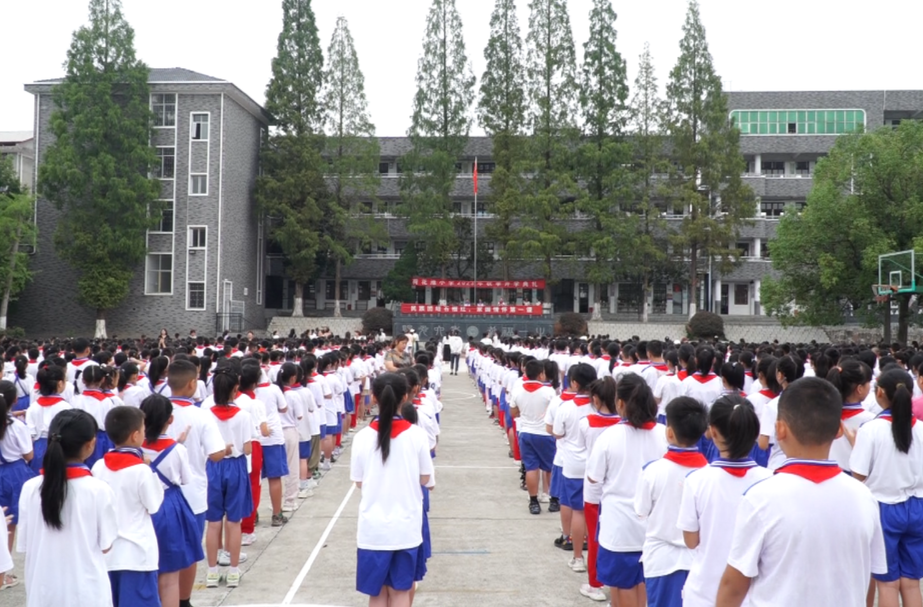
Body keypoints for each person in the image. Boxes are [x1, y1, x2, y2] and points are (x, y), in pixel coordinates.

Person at [716, 377, 887, 607]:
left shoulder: (761, 497)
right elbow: (869, 576)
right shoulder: (864, 496)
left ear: (780, 430)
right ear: (838, 430)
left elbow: (733, 586)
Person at [17, 409, 119, 607]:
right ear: (90, 445)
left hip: (43, 592)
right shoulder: (98, 490)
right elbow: (107, 545)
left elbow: (25, 544)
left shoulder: (30, 488)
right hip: (86, 593)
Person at [677, 395, 772, 607]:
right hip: (752, 595)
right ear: (754, 432)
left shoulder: (696, 480)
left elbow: (691, 540)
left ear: (713, 432)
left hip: (704, 592)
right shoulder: (772, 480)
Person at [350, 373, 433, 607]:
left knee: (376, 594)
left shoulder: (363, 437)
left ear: (374, 397)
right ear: (405, 397)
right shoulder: (416, 435)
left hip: (373, 529)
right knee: (400, 592)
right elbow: (425, 477)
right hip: (406, 526)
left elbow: (358, 481)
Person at [586, 373, 668, 607]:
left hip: (619, 527)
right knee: (644, 583)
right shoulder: (664, 434)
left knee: (621, 590)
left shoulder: (609, 437)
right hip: (654, 525)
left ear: (620, 403)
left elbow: (594, 478)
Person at [847, 368, 923, 607]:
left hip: (884, 509)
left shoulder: (871, 430)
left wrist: (853, 441)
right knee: (911, 582)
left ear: (880, 393)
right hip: (918, 507)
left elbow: (858, 475)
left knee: (887, 583)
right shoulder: (921, 428)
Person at [634, 397, 708, 607]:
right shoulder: (709, 474)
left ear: (669, 432)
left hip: (661, 560)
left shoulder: (652, 471)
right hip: (698, 561)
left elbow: (641, 511)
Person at [163, 360, 225, 607]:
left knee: (163, 549)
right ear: (192, 384)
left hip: (158, 493)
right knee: (189, 550)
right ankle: (183, 600)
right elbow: (217, 453)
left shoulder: (154, 409)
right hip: (192, 492)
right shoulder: (201, 415)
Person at [91, 406, 164, 607]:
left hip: (107, 553)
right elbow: (154, 505)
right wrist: (150, 469)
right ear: (135, 436)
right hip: (137, 554)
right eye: (143, 429)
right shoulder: (141, 470)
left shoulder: (98, 467)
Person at [139, 394, 205, 607]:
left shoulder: (138, 448)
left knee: (149, 567)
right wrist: (179, 446)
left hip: (143, 506)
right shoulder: (177, 450)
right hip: (169, 506)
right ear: (170, 419)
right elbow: (185, 479)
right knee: (170, 575)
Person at [204, 367, 253, 589]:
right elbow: (248, 448)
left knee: (213, 522)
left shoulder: (206, 413)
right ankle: (233, 571)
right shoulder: (243, 415)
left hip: (213, 465)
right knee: (234, 522)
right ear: (236, 389)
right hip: (235, 465)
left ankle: (212, 571)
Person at [576, 377, 621, 603]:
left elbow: (583, 447)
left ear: (595, 398)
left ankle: (595, 584)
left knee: (594, 537)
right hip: (617, 487)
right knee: (617, 537)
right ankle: (617, 583)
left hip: (594, 488)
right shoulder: (624, 424)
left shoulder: (586, 423)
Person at [552, 362, 598, 573]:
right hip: (597, 465)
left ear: (574, 383)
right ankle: (594, 554)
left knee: (577, 510)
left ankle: (578, 557)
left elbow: (557, 433)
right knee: (596, 510)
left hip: (573, 464)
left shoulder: (566, 407)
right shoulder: (600, 406)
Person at [509, 360, 556, 515]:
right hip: (544, 433)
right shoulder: (549, 392)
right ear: (541, 374)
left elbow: (513, 413)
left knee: (531, 468)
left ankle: (533, 501)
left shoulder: (518, 390)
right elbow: (553, 414)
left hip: (526, 432)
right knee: (549, 468)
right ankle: (552, 498)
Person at [0, 392, 33, 587]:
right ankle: (4, 573)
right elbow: (28, 454)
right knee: (9, 525)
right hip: (14, 473)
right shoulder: (17, 427)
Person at [826, 358, 875, 473]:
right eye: (869, 382)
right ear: (860, 389)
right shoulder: (870, 421)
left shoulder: (820, 415)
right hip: (856, 480)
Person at [25, 364, 72, 475]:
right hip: (59, 448)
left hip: (37, 450)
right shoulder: (66, 408)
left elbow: (30, 435)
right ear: (60, 384)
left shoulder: (32, 408)